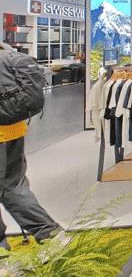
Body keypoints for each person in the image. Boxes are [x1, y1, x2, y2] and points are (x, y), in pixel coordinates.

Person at [0, 43, 59, 252]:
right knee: (14, 187)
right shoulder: (7, 55)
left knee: (11, 189)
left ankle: (2, 252)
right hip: (14, 130)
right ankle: (51, 234)